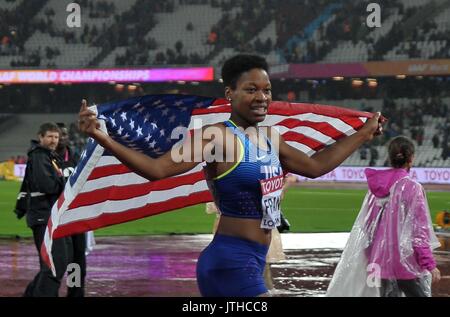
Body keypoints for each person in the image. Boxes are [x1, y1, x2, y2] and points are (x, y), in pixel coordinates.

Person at [78, 54, 384, 297]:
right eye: (251, 89)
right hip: (229, 262)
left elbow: (315, 167)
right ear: (230, 93)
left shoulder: (269, 138)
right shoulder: (217, 139)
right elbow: (157, 170)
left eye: (266, 90)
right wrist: (102, 138)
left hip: (253, 258)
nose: (262, 97)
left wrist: (364, 133)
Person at [327, 136, 441, 297]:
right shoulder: (413, 188)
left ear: (390, 157)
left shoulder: (375, 189)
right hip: (406, 263)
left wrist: (371, 255)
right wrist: (429, 264)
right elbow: (419, 232)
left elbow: (367, 227)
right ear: (411, 158)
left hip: (379, 262)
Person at [20, 122, 72, 297]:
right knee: (54, 265)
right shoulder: (40, 156)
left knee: (55, 264)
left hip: (49, 217)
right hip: (43, 216)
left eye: (56, 137)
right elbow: (47, 185)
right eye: (49, 136)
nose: (53, 140)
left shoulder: (48, 156)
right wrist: (64, 184)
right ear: (40, 137)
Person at [56, 122, 87, 297]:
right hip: (55, 218)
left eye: (65, 135)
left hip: (75, 216)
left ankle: (75, 292)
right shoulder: (46, 158)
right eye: (58, 135)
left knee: (76, 259)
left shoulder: (76, 157)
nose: (62, 138)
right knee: (57, 259)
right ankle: (46, 290)